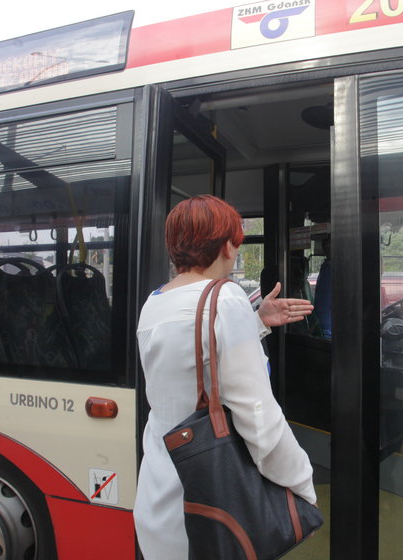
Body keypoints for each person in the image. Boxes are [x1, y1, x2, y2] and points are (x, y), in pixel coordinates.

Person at [135, 195, 317, 559]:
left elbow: (190, 360)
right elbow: (259, 419)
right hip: (213, 508)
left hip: (159, 501)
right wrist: (301, 484)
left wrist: (257, 321)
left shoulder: (154, 301)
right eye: (237, 239)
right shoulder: (226, 298)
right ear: (226, 245)